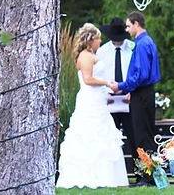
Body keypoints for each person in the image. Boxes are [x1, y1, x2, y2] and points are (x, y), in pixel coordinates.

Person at [57, 23, 128, 189]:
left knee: (103, 133)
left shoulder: (90, 54)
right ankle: (89, 175)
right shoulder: (85, 56)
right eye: (98, 39)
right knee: (90, 134)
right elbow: (88, 80)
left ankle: (107, 177)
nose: (100, 41)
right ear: (91, 40)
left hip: (98, 100)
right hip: (90, 101)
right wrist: (107, 83)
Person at [110, 12, 161, 186]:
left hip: (142, 93)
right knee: (146, 133)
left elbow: (140, 74)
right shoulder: (147, 42)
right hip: (143, 92)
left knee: (142, 136)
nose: (127, 29)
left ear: (136, 24)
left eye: (128, 25)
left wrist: (122, 86)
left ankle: (147, 177)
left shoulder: (141, 44)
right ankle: (151, 175)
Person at [96, 17, 136, 160]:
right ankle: (111, 169)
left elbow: (137, 72)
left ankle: (140, 170)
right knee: (110, 136)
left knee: (133, 135)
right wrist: (106, 91)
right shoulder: (102, 52)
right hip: (109, 98)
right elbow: (97, 74)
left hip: (129, 97)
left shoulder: (132, 48)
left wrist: (132, 91)